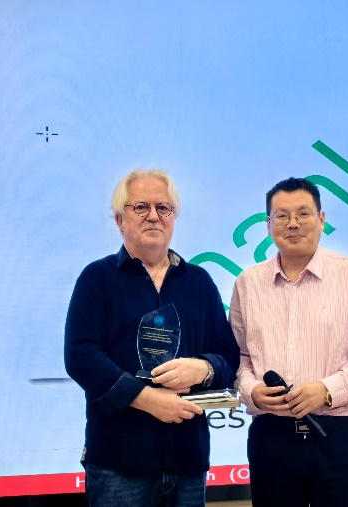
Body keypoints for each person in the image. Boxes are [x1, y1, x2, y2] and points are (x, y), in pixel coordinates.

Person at [65, 168, 239, 507]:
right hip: (119, 463)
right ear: (120, 220)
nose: (154, 216)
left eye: (164, 207)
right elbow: (80, 356)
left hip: (188, 460)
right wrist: (146, 399)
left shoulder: (199, 282)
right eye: (141, 207)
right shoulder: (97, 278)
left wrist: (203, 368)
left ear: (173, 218)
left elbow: (228, 355)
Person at [229, 177, 348, 507]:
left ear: (321, 220)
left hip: (337, 438)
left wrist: (327, 390)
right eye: (282, 216)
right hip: (271, 439)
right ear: (268, 225)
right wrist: (251, 391)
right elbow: (239, 357)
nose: (292, 224)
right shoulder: (247, 283)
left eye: (303, 213)